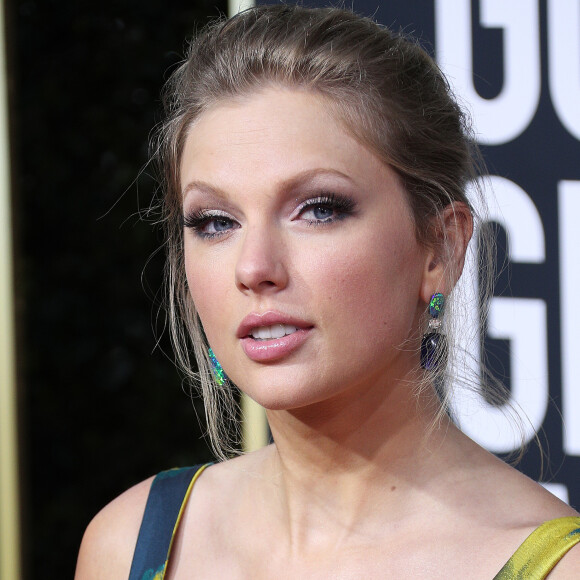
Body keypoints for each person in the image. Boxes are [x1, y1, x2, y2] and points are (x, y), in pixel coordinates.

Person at [75, 5, 580, 579]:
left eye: (318, 209)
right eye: (215, 221)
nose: (255, 268)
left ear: (441, 248)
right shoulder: (128, 545)